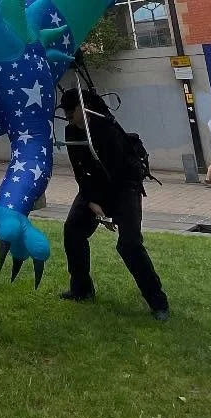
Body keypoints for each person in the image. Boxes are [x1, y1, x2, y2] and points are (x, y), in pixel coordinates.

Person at [60, 84, 170, 321]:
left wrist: (112, 211)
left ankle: (158, 302)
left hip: (124, 189)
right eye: (66, 110)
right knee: (73, 231)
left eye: (72, 108)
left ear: (85, 107)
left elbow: (120, 171)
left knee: (129, 244)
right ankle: (81, 289)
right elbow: (79, 170)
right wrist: (91, 202)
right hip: (93, 191)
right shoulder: (72, 132)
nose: (68, 114)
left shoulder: (106, 128)